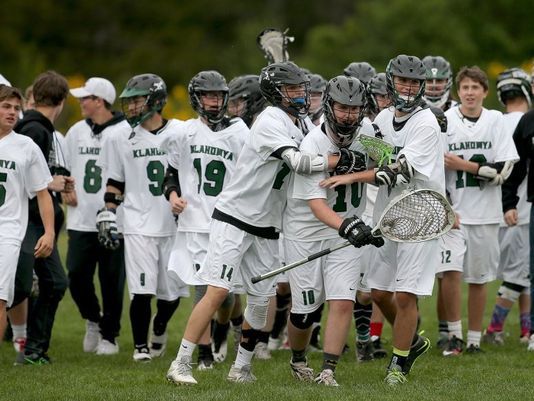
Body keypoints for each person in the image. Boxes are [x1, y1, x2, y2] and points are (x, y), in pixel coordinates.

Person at [166, 61, 363, 385]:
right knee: (217, 290)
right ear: (275, 91)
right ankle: (181, 362)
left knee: (259, 300)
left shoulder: (299, 123)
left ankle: (241, 367)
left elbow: (319, 140)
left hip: (270, 224)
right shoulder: (270, 120)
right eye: (292, 89)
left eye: (302, 89)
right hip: (236, 216)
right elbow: (299, 162)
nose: (300, 95)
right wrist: (343, 160)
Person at [321, 55, 444, 385]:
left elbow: (396, 170)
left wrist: (350, 177)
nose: (408, 88)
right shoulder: (385, 118)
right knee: (377, 293)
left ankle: (399, 364)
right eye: (403, 81)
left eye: (414, 83)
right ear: (390, 82)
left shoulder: (426, 124)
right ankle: (413, 342)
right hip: (388, 215)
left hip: (421, 215)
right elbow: (365, 146)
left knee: (405, 294)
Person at [284, 75, 381, 386]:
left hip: (347, 232)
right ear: (329, 106)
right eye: (342, 108)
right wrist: (348, 225)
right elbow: (316, 204)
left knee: (342, 301)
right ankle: (298, 359)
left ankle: (328, 371)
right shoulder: (313, 143)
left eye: (354, 109)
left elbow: (388, 163)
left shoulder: (366, 132)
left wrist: (355, 174)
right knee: (305, 312)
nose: (349, 115)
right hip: (308, 233)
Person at [99, 73, 189, 362]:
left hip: (174, 224)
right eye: (130, 101)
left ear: (155, 101)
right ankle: (140, 347)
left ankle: (160, 326)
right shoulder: (120, 136)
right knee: (141, 290)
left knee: (171, 295)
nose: (132, 107)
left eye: (137, 100)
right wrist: (108, 212)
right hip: (137, 222)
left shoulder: (180, 132)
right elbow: (115, 182)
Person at [163, 70, 248, 369]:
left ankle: (225, 327)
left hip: (229, 221)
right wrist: (173, 197)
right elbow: (170, 174)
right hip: (196, 222)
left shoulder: (240, 133)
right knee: (204, 289)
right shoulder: (183, 132)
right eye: (208, 95)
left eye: (218, 96)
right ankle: (203, 355)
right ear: (196, 98)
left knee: (225, 297)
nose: (214, 101)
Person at [444, 66, 518, 353]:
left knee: (478, 279)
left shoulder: (495, 120)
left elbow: (504, 171)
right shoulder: (446, 120)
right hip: (455, 214)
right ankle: (454, 335)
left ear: (485, 92)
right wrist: (447, 207)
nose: (470, 92)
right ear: (458, 92)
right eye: (465, 88)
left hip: (486, 214)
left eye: (476, 87)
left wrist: (467, 166)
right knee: (449, 275)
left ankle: (474, 339)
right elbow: (436, 170)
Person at [64, 77, 130, 355]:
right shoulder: (77, 130)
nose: (80, 103)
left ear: (99, 101)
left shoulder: (126, 130)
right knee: (76, 276)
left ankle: (109, 335)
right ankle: (93, 318)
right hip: (80, 218)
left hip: (114, 217)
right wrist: (64, 189)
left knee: (112, 280)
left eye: (85, 98)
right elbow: (63, 168)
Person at [12, 71, 71, 365]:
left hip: (36, 222)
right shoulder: (35, 130)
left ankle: (34, 349)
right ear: (61, 101)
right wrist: (51, 184)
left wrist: (55, 180)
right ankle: (29, 346)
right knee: (18, 286)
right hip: (29, 222)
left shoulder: (39, 128)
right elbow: (17, 173)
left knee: (53, 283)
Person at [0, 85, 54, 345]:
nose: (12, 113)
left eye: (16, 108)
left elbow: (42, 193)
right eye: (6, 106)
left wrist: (50, 232)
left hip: (8, 232)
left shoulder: (26, 146)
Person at [495, 68, 534, 347]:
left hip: (492, 207)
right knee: (521, 272)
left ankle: (525, 328)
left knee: (519, 270)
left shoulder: (492, 120)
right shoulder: (526, 122)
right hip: (522, 207)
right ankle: (495, 327)